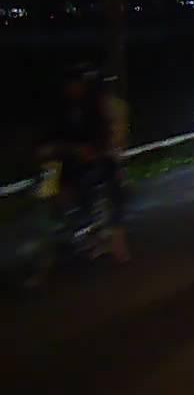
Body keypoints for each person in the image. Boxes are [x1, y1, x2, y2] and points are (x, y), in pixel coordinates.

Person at [44, 62, 129, 262]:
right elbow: (52, 135)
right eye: (69, 85)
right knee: (47, 188)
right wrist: (52, 148)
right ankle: (57, 229)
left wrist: (94, 150)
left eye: (76, 85)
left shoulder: (96, 107)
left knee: (107, 183)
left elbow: (104, 136)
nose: (72, 89)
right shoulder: (63, 108)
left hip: (94, 161)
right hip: (63, 162)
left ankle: (110, 236)